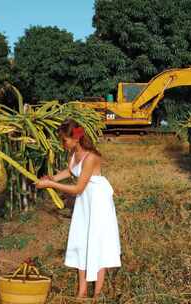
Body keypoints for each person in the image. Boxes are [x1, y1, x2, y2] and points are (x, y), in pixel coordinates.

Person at [35, 118, 121, 300]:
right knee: (81, 240)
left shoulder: (91, 157)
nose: (62, 143)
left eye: (64, 140)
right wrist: (52, 178)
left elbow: (77, 188)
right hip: (85, 201)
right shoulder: (74, 153)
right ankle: (82, 291)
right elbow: (70, 171)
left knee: (97, 243)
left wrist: (51, 185)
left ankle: (97, 294)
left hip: (97, 201)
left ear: (75, 139)